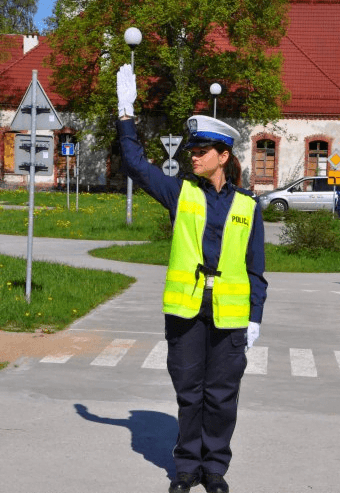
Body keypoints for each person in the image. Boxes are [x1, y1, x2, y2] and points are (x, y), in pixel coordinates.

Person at [115, 64, 267, 493]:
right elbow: (134, 163)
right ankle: (185, 469)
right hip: (186, 308)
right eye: (191, 150)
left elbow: (256, 268)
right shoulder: (179, 193)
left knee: (221, 397)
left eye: (201, 150)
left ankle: (215, 468)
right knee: (189, 393)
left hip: (231, 314)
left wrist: (255, 316)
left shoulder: (248, 207)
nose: (192, 156)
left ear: (223, 156)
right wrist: (126, 114)